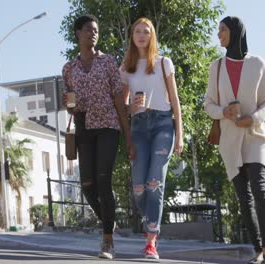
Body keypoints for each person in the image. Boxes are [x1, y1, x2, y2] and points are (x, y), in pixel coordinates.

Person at [204, 16, 265, 264]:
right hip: (229, 140)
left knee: (259, 187)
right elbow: (208, 104)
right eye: (219, 31)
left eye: (223, 30)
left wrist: (255, 118)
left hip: (255, 136)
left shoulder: (257, 63)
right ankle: (257, 249)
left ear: (236, 32)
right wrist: (222, 112)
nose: (219, 35)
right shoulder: (215, 67)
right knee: (243, 197)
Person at [62, 14, 133, 260]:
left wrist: (128, 136)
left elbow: (118, 99)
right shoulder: (69, 69)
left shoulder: (108, 62)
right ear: (78, 33)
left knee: (104, 181)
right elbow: (71, 103)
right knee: (87, 185)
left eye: (96, 30)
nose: (93, 33)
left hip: (108, 126)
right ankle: (109, 221)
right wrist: (69, 107)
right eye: (89, 30)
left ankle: (107, 241)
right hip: (83, 128)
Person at [120, 17, 183, 260]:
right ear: (132, 36)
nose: (142, 35)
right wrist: (130, 106)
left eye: (146, 31)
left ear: (152, 35)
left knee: (155, 183)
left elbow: (175, 101)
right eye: (137, 31)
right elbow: (122, 107)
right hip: (138, 127)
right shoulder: (126, 67)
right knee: (138, 187)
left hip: (163, 124)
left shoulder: (164, 63)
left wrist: (180, 134)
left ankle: (151, 241)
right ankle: (151, 222)